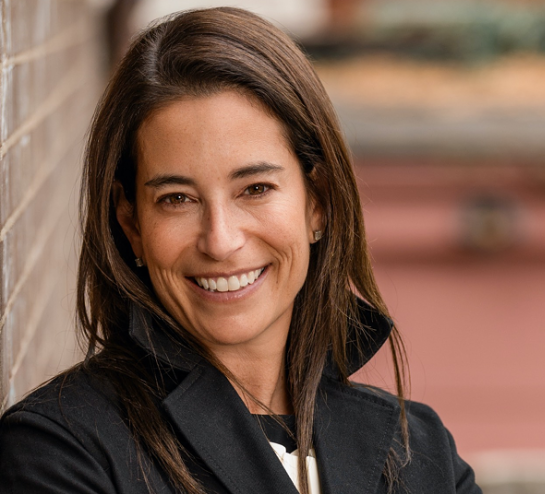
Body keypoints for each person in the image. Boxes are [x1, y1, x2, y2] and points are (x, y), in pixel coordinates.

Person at [0, 7, 481, 494]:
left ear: (319, 202)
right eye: (177, 199)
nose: (221, 240)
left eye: (255, 188)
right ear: (132, 226)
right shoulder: (61, 451)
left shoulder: (422, 455)